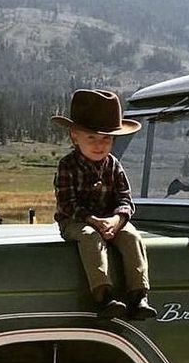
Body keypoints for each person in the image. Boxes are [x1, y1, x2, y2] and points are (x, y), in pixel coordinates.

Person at [52, 89, 156, 320]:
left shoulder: (114, 165)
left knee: (132, 237)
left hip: (111, 221)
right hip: (76, 222)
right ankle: (103, 295)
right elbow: (67, 204)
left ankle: (139, 296)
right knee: (90, 236)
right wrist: (93, 220)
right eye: (92, 138)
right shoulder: (67, 165)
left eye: (106, 139)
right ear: (74, 136)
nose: (99, 145)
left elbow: (125, 199)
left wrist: (117, 220)